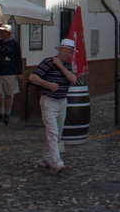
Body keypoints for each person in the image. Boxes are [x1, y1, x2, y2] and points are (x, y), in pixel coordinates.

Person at [28, 38, 81, 173]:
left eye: (71, 53)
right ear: (61, 50)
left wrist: (61, 67)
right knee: (53, 132)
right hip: (49, 101)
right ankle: (57, 162)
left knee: (57, 134)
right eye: (68, 52)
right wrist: (48, 85)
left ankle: (46, 157)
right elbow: (32, 77)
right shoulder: (48, 62)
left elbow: (73, 80)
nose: (70, 55)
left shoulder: (67, 66)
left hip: (62, 102)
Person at [0, 24, 22, 124]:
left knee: (8, 94)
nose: (0, 33)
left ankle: (7, 113)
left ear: (7, 33)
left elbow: (18, 58)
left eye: (2, 31)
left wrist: (19, 72)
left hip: (10, 72)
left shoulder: (14, 44)